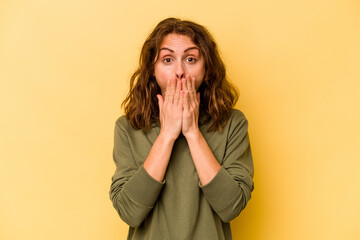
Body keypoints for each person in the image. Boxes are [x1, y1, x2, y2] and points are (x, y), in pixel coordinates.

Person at [109, 17, 255, 240]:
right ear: (152, 70)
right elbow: (130, 212)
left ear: (206, 68)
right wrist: (167, 135)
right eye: (167, 59)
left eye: (190, 59)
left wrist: (192, 133)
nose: (179, 71)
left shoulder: (233, 123)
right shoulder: (128, 128)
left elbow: (230, 207)